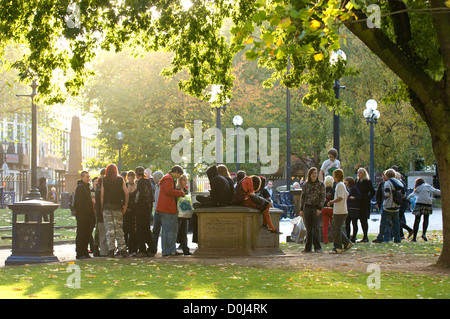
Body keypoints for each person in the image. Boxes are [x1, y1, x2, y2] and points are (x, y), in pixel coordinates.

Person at [156, 165, 185, 257]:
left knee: (165, 231)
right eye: (179, 174)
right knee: (171, 230)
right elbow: (169, 191)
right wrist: (180, 193)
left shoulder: (165, 178)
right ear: (176, 171)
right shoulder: (169, 179)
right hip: (168, 208)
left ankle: (165, 251)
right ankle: (171, 250)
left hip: (162, 208)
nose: (179, 177)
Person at [101, 164, 129, 258]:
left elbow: (102, 194)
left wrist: (102, 207)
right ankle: (123, 249)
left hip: (107, 206)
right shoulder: (120, 179)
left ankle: (111, 250)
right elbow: (126, 193)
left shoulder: (104, 180)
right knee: (118, 229)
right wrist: (125, 205)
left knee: (109, 229)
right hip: (117, 206)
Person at [373, 169, 403, 243]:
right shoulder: (399, 182)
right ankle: (397, 238)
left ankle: (380, 237)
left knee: (383, 223)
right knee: (396, 223)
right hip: (396, 205)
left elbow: (387, 194)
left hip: (388, 205)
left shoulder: (387, 183)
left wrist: (385, 200)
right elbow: (403, 193)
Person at [299, 167, 325, 253]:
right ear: (309, 175)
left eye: (316, 173)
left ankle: (318, 247)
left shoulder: (321, 184)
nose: (314, 175)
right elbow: (302, 197)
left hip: (316, 208)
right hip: (307, 208)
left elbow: (322, 197)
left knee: (316, 228)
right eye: (313, 173)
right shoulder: (306, 185)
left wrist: (319, 208)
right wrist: (301, 209)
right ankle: (307, 247)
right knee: (309, 229)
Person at [407, 178, 441, 242]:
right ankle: (424, 234)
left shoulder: (417, 188)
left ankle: (414, 238)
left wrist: (407, 198)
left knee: (417, 220)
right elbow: (435, 191)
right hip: (427, 204)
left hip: (419, 204)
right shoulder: (427, 186)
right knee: (426, 219)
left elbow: (411, 195)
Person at [327, 169, 352, 254]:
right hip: (340, 210)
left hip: (340, 211)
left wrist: (332, 202)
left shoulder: (340, 185)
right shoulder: (341, 185)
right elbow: (347, 194)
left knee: (336, 229)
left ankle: (338, 247)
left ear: (337, 176)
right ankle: (346, 243)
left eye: (334, 175)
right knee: (337, 228)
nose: (333, 177)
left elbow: (341, 197)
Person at [73, 171, 95, 259]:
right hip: (82, 214)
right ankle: (80, 252)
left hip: (87, 214)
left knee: (87, 233)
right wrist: (83, 212)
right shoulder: (80, 188)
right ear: (82, 177)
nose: (88, 178)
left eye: (89, 177)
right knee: (81, 233)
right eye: (87, 177)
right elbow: (79, 203)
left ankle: (85, 251)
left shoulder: (86, 187)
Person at [134, 166, 155, 256]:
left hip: (140, 209)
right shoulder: (148, 182)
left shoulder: (139, 183)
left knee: (140, 230)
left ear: (136, 174)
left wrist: (134, 205)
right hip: (148, 209)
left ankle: (142, 250)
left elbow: (138, 196)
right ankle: (152, 249)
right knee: (147, 229)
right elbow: (151, 196)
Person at [355, 168, 375, 242]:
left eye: (360, 173)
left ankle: (365, 236)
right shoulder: (357, 181)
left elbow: (372, 192)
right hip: (358, 203)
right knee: (356, 219)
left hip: (364, 203)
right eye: (358, 173)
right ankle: (354, 236)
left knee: (364, 220)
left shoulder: (367, 182)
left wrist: (367, 198)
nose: (359, 175)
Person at [176, 174, 192, 255]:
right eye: (184, 180)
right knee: (177, 230)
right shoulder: (177, 189)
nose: (186, 182)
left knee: (184, 231)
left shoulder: (186, 190)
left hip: (185, 213)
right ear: (180, 180)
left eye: (186, 180)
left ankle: (185, 249)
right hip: (179, 213)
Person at [395, 172, 413, 239]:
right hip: (403, 203)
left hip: (401, 203)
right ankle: (402, 234)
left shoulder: (399, 183)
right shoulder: (402, 183)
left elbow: (402, 194)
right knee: (398, 219)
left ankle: (406, 232)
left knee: (397, 219)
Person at [93, 176, 108, 257]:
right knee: (103, 233)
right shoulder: (100, 192)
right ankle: (104, 251)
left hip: (99, 215)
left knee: (102, 233)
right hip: (102, 215)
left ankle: (103, 250)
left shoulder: (98, 191)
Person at [151, 170, 164, 254]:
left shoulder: (162, 186)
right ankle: (153, 248)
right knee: (155, 230)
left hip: (161, 211)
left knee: (158, 230)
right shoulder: (156, 186)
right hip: (156, 211)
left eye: (154, 177)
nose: (153, 179)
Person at [124, 171, 137, 254]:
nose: (131, 178)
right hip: (125, 211)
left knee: (133, 230)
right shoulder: (124, 185)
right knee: (124, 230)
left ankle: (133, 248)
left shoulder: (137, 186)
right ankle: (124, 248)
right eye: (129, 176)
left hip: (134, 211)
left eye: (132, 176)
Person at [344, 176, 361, 243]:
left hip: (354, 208)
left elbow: (359, 196)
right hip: (349, 207)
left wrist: (354, 198)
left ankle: (353, 237)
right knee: (348, 223)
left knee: (354, 223)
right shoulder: (348, 189)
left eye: (346, 182)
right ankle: (348, 237)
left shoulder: (354, 188)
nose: (345, 183)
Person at [321, 175, 335, 244]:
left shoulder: (323, 190)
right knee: (333, 225)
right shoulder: (333, 190)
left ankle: (325, 240)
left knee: (325, 225)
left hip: (324, 208)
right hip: (331, 208)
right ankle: (334, 239)